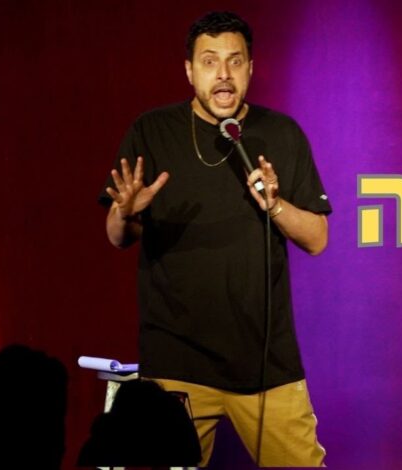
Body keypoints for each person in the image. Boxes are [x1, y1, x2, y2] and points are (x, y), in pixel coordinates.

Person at [98, 11, 331, 467]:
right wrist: (124, 212)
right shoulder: (152, 131)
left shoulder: (281, 134)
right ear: (189, 70)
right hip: (176, 364)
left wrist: (276, 207)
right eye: (209, 61)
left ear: (250, 68)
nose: (223, 74)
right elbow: (116, 236)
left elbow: (317, 238)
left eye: (234, 61)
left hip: (265, 364)